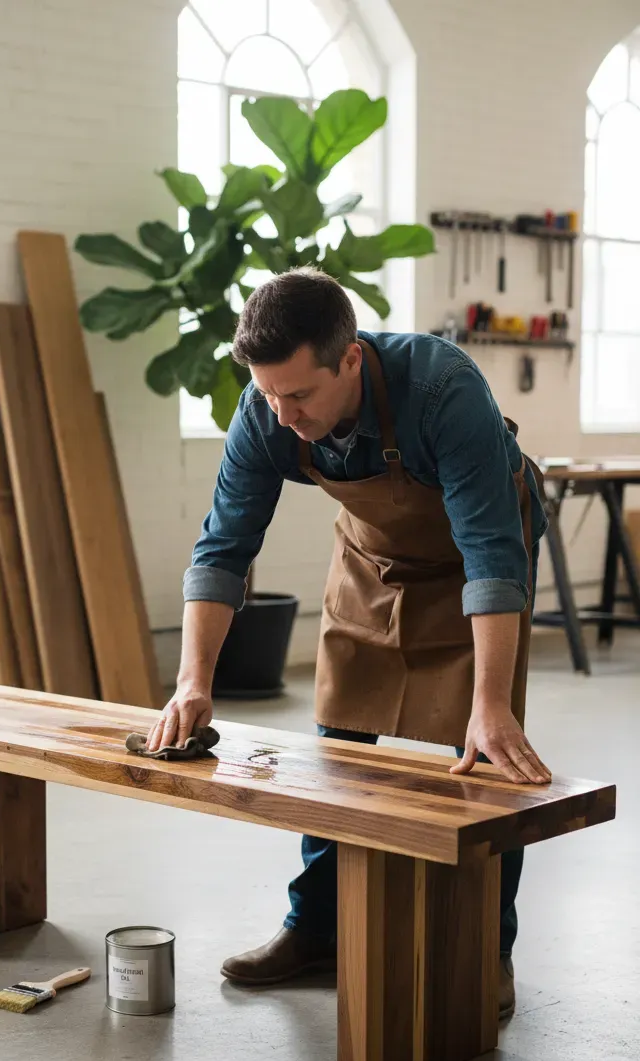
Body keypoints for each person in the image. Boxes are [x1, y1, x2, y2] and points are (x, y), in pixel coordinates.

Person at [147, 267, 550, 1019]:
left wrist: (491, 703)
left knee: (487, 760)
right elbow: (223, 548)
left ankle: (487, 948)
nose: (284, 413)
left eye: (300, 395)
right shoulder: (266, 409)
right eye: (270, 394)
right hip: (371, 561)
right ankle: (316, 930)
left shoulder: (443, 389)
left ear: (352, 359)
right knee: (336, 748)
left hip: (475, 563)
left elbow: (492, 554)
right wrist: (193, 681)